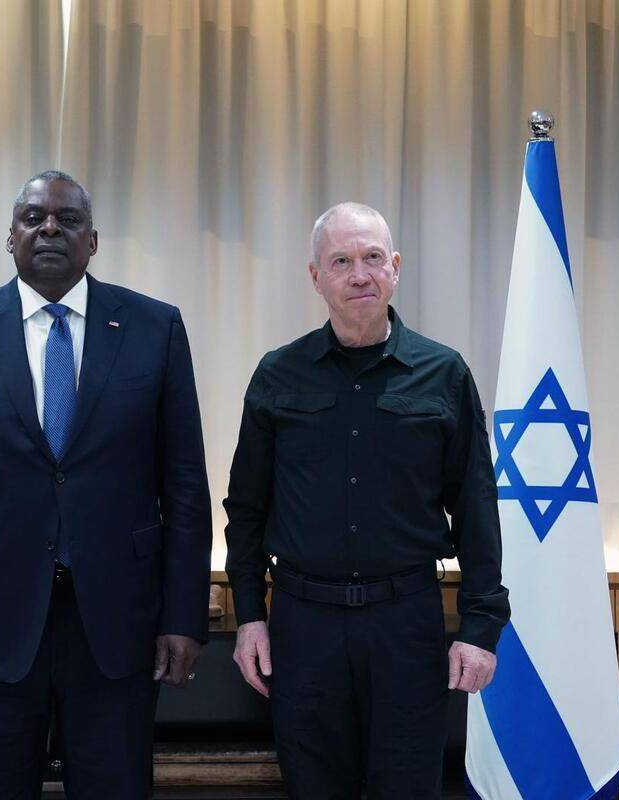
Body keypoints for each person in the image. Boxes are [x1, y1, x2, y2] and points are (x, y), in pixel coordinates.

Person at [0, 170, 212, 799]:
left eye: (67, 220)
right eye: (33, 218)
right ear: (9, 238)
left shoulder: (155, 328)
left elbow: (183, 487)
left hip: (117, 628)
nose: (49, 229)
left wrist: (184, 617)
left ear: (93, 241)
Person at [224, 202, 510, 799]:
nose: (360, 274)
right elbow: (246, 510)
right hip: (304, 625)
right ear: (316, 277)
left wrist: (481, 626)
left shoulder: (443, 374)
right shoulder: (279, 375)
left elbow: (478, 506)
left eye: (373, 258)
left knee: (407, 787)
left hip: (405, 621)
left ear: (396, 267)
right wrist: (251, 614)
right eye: (342, 261)